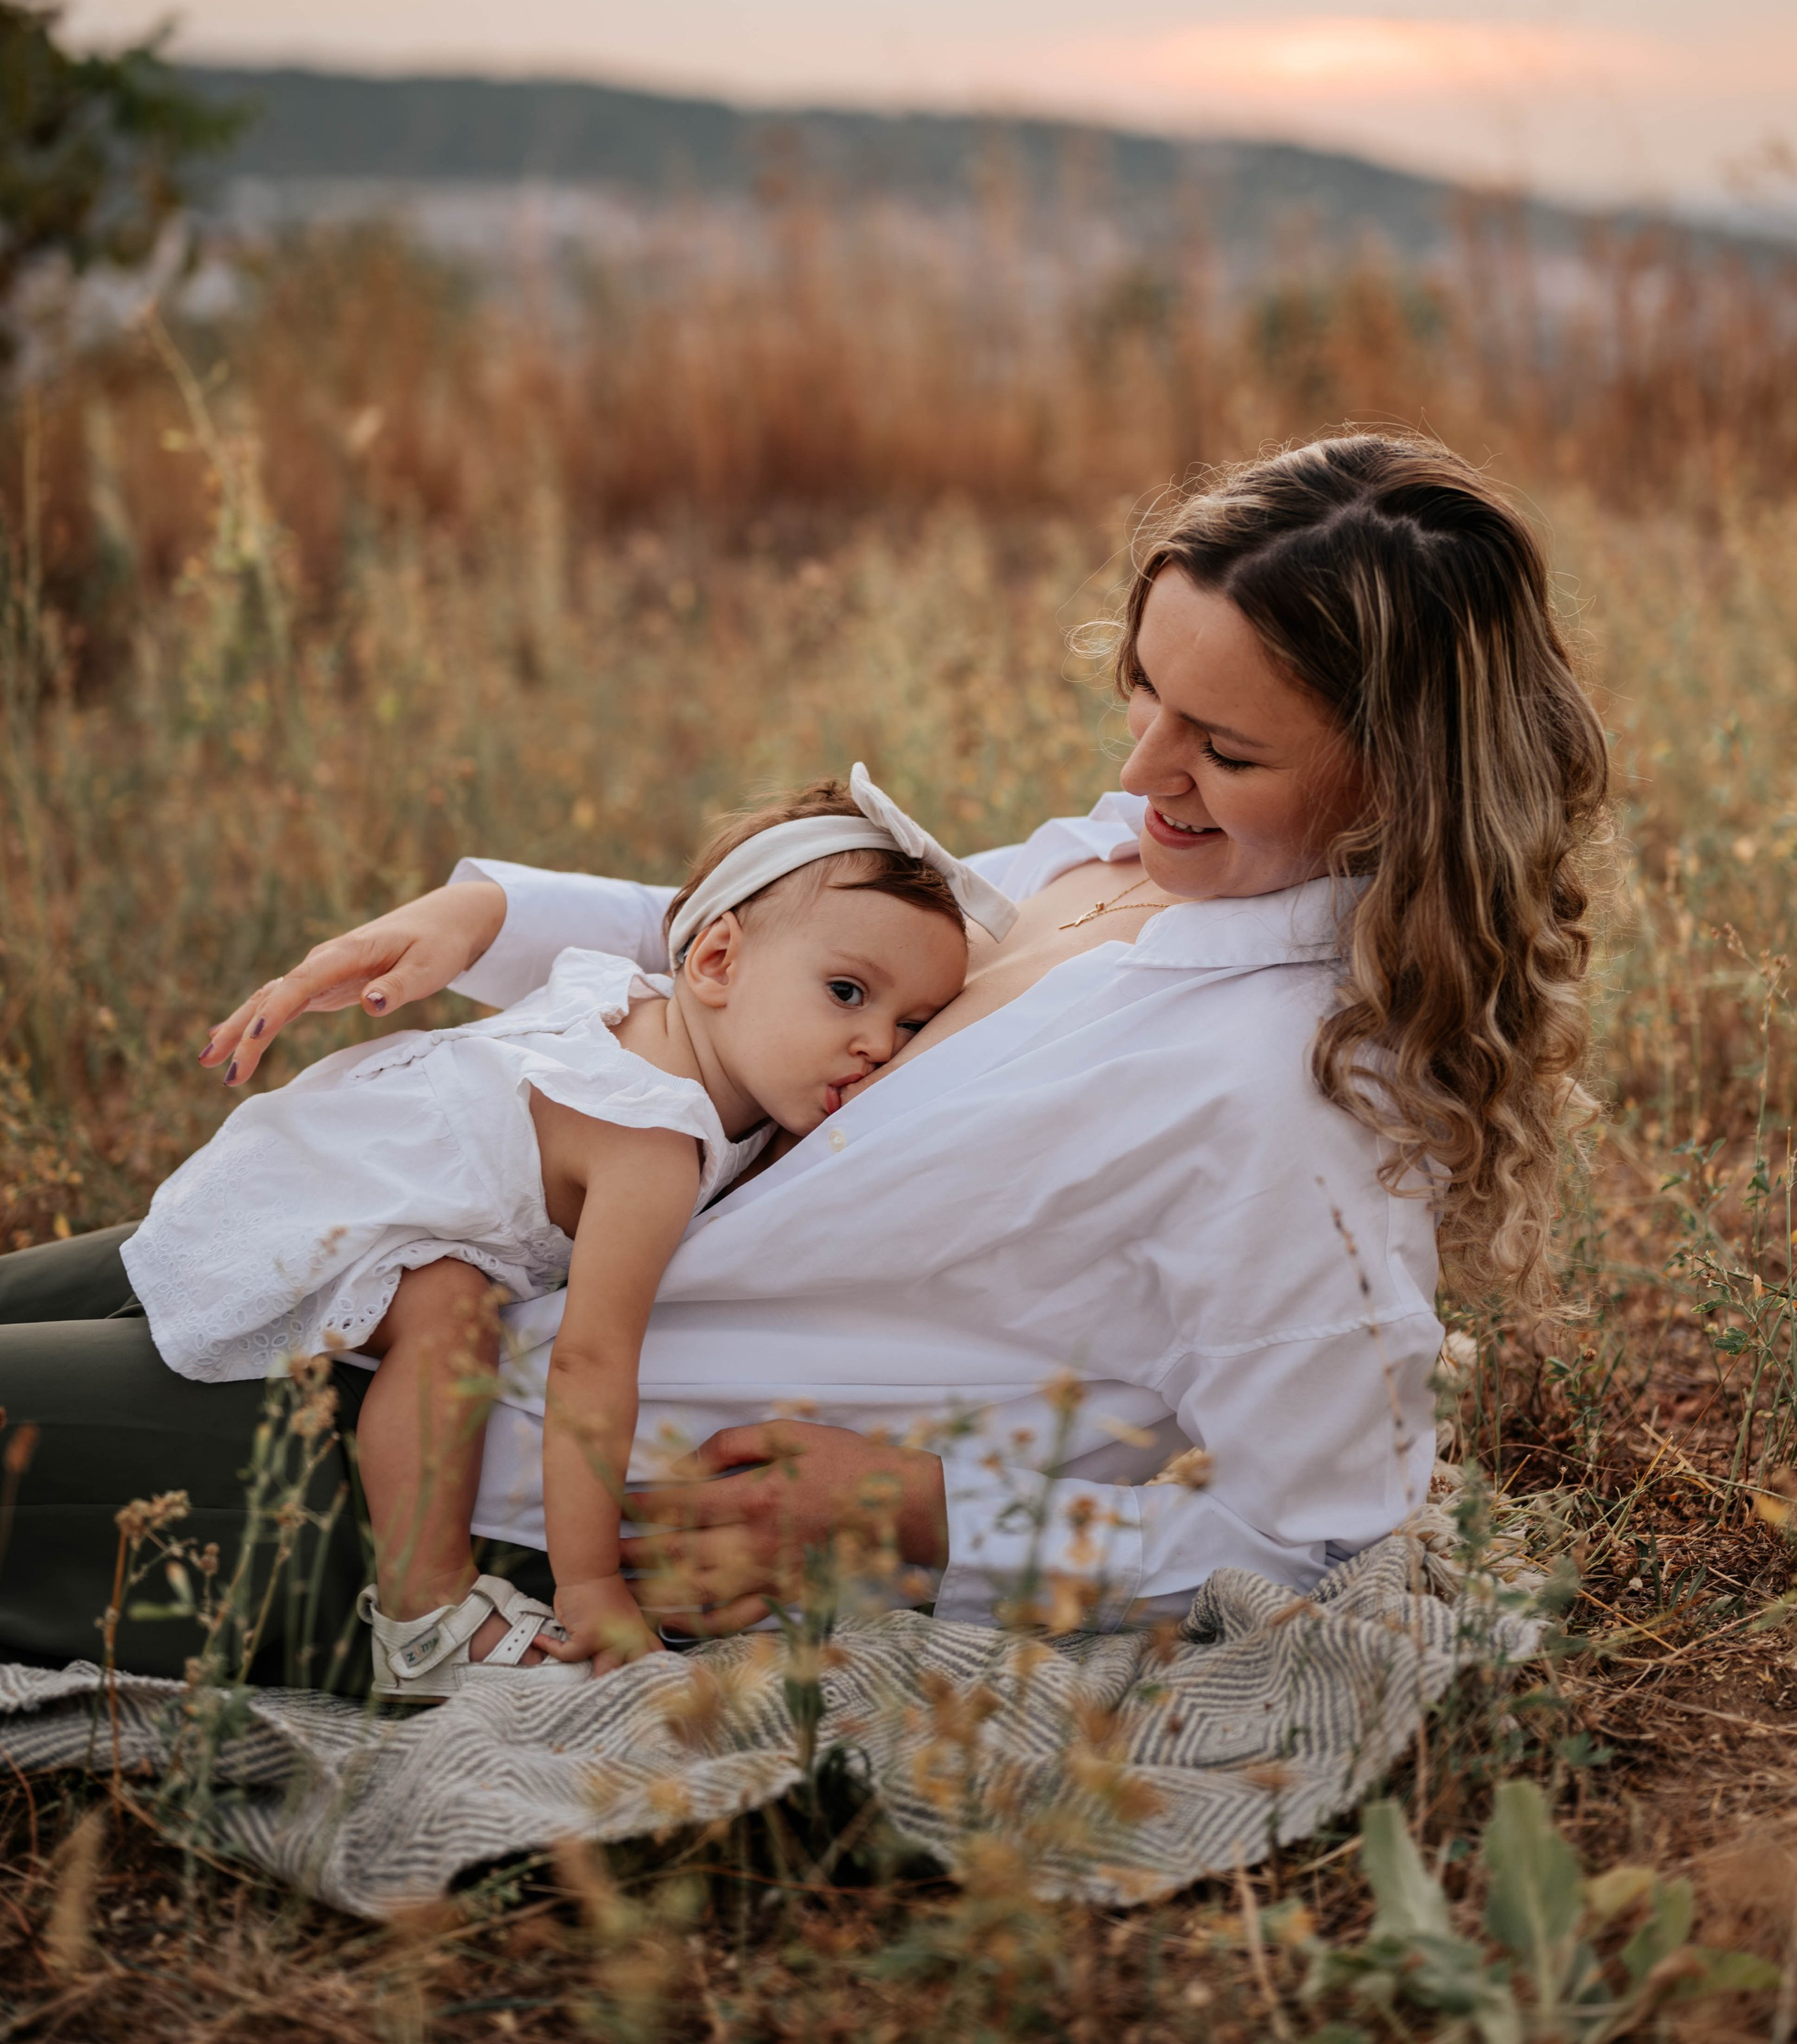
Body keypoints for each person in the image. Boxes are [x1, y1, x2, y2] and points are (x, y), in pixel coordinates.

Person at [0, 434, 1606, 1678]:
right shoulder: (1120, 857)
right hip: (409, 1249)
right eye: (1144, 696)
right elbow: (816, 968)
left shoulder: (1291, 1097)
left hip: (467, 1481)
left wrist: (920, 1518)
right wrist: (494, 908)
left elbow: (1317, 1542)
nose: (1142, 770)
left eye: (1223, 747)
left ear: (1398, 775)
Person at [118, 773, 989, 1696]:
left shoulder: (660, 1014)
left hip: (324, 1144)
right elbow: (590, 1367)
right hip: (342, 1197)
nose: (879, 1046)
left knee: (449, 1292)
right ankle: (422, 1614)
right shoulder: (652, 1144)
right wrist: (590, 1581)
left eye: (910, 1025)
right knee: (451, 1318)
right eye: (847, 992)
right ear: (718, 962)